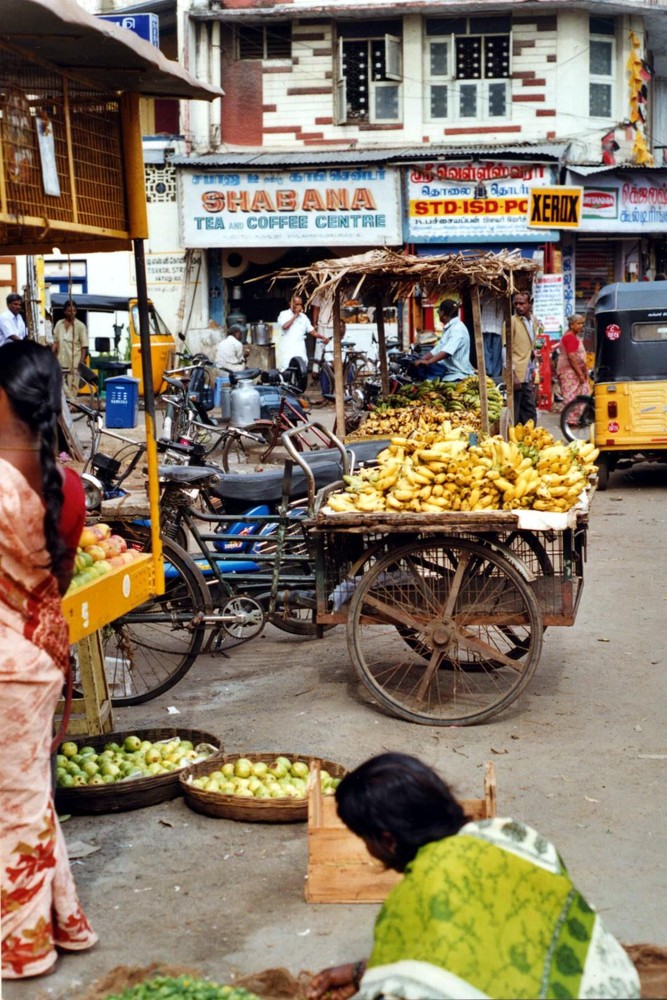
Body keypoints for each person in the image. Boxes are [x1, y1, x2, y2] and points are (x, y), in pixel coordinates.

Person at [307, 753, 640, 1000]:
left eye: (364, 838)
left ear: (388, 840)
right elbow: (495, 937)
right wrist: (362, 971)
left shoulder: (415, 897)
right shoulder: (514, 835)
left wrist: (377, 978)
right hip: (618, 987)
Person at [0, 340, 98, 980]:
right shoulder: (65, 487)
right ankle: (66, 922)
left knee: (16, 806)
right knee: (29, 798)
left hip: (7, 668)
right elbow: (54, 583)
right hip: (40, 656)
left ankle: (24, 948)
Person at [504, 292, 544, 425]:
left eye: (522, 303)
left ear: (530, 303)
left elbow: (536, 343)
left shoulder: (535, 321)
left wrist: (535, 367)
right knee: (515, 411)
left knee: (529, 410)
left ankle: (530, 438)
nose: (518, 307)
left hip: (528, 372)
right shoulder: (511, 322)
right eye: (516, 304)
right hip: (516, 373)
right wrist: (512, 373)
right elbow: (505, 350)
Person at [412, 299, 475, 382]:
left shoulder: (457, 329)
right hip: (447, 371)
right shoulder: (450, 328)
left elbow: (446, 352)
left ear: (442, 313)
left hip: (457, 374)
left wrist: (428, 362)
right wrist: (421, 358)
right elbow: (438, 349)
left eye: (438, 312)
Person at [276, 292, 329, 371]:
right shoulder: (283, 314)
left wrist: (322, 337)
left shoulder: (304, 317)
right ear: (290, 303)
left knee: (301, 370)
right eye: (296, 304)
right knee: (287, 368)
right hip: (287, 347)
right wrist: (295, 316)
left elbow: (312, 331)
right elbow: (285, 327)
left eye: (299, 304)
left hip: (300, 347)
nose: (298, 306)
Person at [53, 299, 88, 400]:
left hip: (74, 360)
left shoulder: (80, 326)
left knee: (73, 384)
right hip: (60, 358)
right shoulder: (59, 324)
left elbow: (84, 346)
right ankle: (74, 402)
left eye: (74, 311)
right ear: (64, 311)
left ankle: (72, 404)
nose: (72, 313)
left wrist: (81, 361)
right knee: (59, 380)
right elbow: (56, 342)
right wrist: (51, 355)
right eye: (69, 311)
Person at [557, 314, 589, 424]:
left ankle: (573, 419)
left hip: (570, 370)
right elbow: (572, 357)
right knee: (572, 396)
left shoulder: (571, 336)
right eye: (579, 323)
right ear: (571, 325)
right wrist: (580, 374)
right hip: (570, 371)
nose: (581, 326)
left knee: (575, 395)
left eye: (582, 324)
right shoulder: (570, 337)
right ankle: (571, 420)